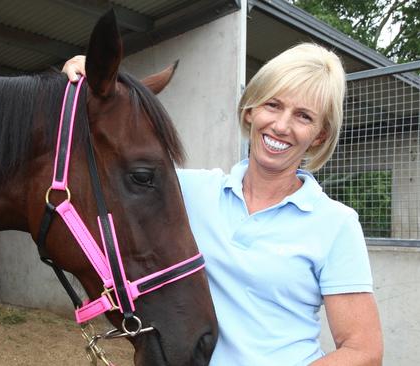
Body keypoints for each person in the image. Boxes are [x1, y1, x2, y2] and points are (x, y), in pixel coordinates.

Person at [62, 43, 383, 365]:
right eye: (273, 105)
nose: (282, 126)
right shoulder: (187, 191)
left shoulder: (335, 223)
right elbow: (99, 162)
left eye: (303, 116)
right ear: (250, 111)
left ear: (319, 136)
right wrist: (87, 77)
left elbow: (363, 351)